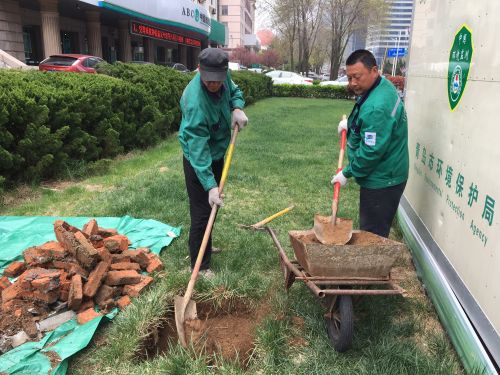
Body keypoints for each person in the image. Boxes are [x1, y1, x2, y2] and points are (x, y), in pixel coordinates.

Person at [178, 48, 248, 277]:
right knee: (201, 212)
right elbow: (198, 151)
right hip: (197, 158)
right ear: (200, 71)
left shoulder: (222, 76)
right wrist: (209, 184)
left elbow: (234, 90)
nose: (213, 85)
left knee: (212, 208)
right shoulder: (195, 103)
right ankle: (201, 267)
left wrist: (236, 106)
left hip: (218, 152)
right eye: (208, 81)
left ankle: (204, 245)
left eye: (217, 81)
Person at [331, 49, 409, 238]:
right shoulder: (380, 86)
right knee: (373, 230)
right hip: (386, 172)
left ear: (374, 70)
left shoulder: (378, 106)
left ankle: (374, 267)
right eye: (349, 78)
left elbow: (371, 152)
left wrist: (346, 173)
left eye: (357, 77)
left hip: (383, 180)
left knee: (372, 236)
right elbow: (369, 124)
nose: (353, 83)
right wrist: (351, 125)